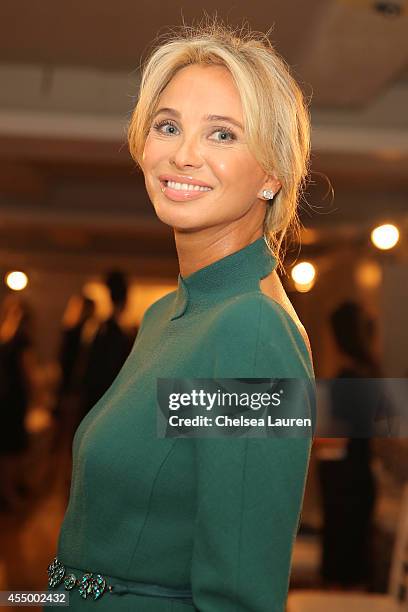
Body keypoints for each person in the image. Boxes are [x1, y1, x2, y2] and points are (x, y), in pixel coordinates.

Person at [46, 19, 315, 611]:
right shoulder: (169, 315)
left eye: (222, 135)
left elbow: (241, 596)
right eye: (168, 126)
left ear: (272, 173)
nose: (184, 154)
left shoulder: (252, 331)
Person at [316, 301, 379, 589]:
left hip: (346, 488)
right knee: (351, 567)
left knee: (343, 571)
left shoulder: (349, 380)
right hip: (354, 483)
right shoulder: (366, 374)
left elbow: (335, 440)